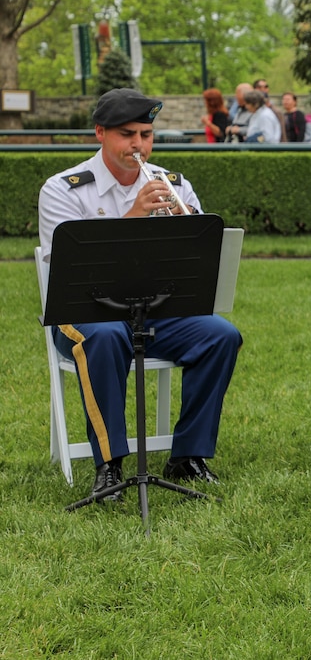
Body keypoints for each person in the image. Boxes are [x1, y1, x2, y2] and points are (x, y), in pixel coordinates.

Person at [37, 88, 243, 499]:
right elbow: (72, 271)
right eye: (127, 134)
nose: (138, 145)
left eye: (146, 135)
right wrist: (133, 217)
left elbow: (199, 257)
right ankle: (109, 466)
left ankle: (188, 456)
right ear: (100, 133)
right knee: (108, 335)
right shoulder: (64, 189)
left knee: (221, 335)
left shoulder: (174, 184)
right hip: (87, 313)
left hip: (159, 308)